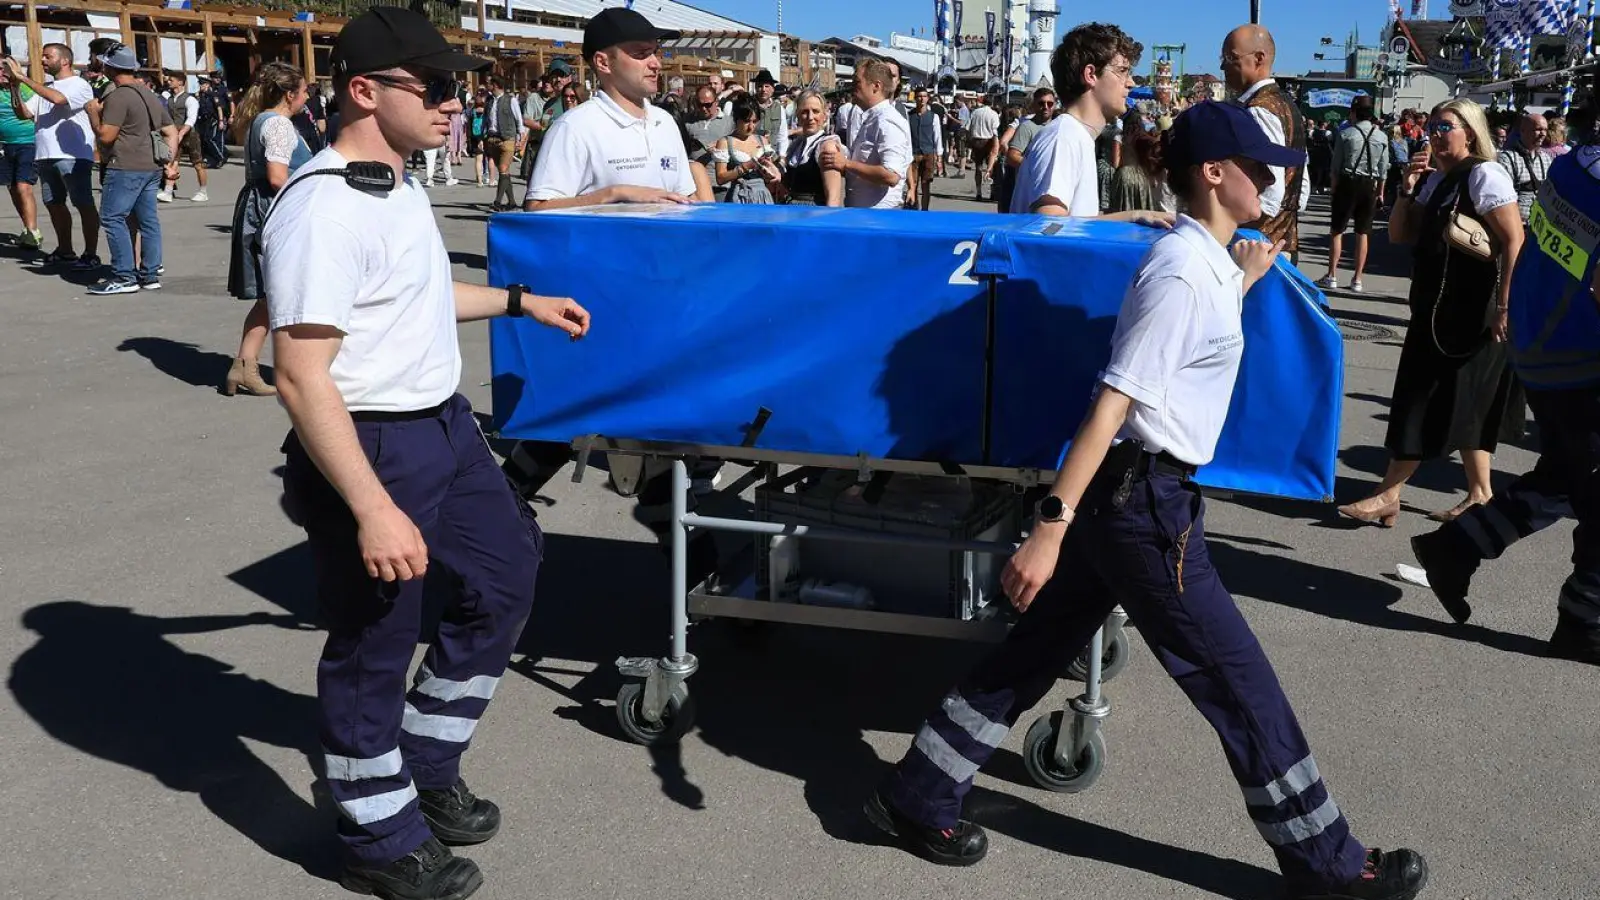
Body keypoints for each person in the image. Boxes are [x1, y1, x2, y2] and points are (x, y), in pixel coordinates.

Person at [863, 99, 1430, 900]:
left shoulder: (1202, 264)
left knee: (1033, 653)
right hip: (1141, 506)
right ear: (1213, 173)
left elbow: (1191, 339)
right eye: (1260, 170)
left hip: (1132, 499)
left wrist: (1244, 275)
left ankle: (918, 792)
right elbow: (1113, 403)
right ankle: (1331, 866)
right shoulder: (1179, 272)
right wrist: (1049, 527)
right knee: (1240, 685)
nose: (1272, 185)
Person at [261, 9, 589, 899]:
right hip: (371, 439)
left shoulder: (395, 186)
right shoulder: (324, 207)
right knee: (375, 639)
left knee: (508, 571)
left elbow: (416, 291)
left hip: (442, 425)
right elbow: (298, 374)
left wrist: (522, 301)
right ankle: (377, 836)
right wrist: (371, 506)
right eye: (435, 88)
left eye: (457, 87)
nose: (457, 103)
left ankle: (425, 763)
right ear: (364, 92)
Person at [1399, 97, 1600, 665]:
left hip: (1547, 348)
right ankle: (1584, 620)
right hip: (1579, 355)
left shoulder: (1572, 164)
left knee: (1568, 473)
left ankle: (1456, 548)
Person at [1338, 99, 1525, 527]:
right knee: (1466, 403)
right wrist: (1406, 187)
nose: (1435, 136)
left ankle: (1388, 492)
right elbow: (1401, 234)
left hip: (1472, 312)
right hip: (1437, 309)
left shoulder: (1484, 174)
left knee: (1421, 400)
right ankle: (1480, 493)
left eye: (1446, 127)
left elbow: (1514, 241)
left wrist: (1505, 305)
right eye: (1432, 128)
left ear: (1470, 131)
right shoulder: (1438, 180)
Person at [522, 7, 694, 211]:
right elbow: (537, 209)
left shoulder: (665, 122)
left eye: (654, 52)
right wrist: (613, 194)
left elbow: (686, 198)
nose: (656, 63)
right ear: (603, 63)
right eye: (641, 53)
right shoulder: (574, 128)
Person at [1009, 23, 1172, 227]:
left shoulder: (1074, 135)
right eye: (1122, 71)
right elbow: (1048, 227)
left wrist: (1132, 216)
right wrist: (1130, 217)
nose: (1130, 83)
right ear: (1091, 75)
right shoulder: (1064, 138)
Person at [223, 61, 312, 397]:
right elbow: (277, 177)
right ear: (289, 94)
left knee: (270, 296)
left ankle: (244, 365)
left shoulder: (262, 119)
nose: (306, 97)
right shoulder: (278, 125)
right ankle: (291, 366)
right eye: (303, 91)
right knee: (279, 293)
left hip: (257, 205)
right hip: (272, 210)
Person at [85, 44, 178, 295]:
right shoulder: (148, 93)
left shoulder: (118, 95)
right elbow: (170, 131)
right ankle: (149, 273)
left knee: (112, 217)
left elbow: (106, 136)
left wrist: (93, 114)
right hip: (151, 166)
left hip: (125, 165)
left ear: (110, 67)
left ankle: (124, 275)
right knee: (148, 221)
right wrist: (168, 161)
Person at [3, 46, 100, 267]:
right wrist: (15, 87)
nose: (44, 61)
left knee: (83, 203)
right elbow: (24, 113)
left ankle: (90, 253)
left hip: (73, 156)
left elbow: (58, 100)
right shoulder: (45, 87)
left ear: (65, 61)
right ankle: (65, 250)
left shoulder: (79, 84)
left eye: (48, 56)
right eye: (42, 56)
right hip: (45, 155)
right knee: (54, 203)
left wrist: (24, 78)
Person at [1221, 24, 1309, 256]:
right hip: (1282, 241)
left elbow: (1272, 190)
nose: (1223, 66)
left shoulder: (1259, 109)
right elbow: (1302, 184)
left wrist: (1233, 224)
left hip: (1258, 247)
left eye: (1230, 58)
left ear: (1259, 58)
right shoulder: (1288, 104)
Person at [818, 58, 910, 209]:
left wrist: (846, 163)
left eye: (857, 82)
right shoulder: (871, 117)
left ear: (876, 86)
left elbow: (891, 175)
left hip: (878, 216)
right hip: (864, 212)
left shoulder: (887, 121)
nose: (852, 88)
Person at [1319, 95, 1387, 292]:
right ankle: (1357, 279)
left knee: (1337, 230)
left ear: (1355, 112)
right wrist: (1380, 193)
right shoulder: (1381, 136)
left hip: (1348, 183)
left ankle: (1332, 275)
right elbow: (1383, 170)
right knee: (1363, 232)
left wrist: (1334, 190)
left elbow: (1335, 167)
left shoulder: (1345, 133)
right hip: (1369, 186)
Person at [0, 58, 40, 248]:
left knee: (23, 186)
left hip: (29, 142)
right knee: (13, 187)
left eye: (4, 69)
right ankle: (27, 227)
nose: (1, 73)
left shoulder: (25, 88)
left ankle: (33, 232)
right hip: (5, 145)